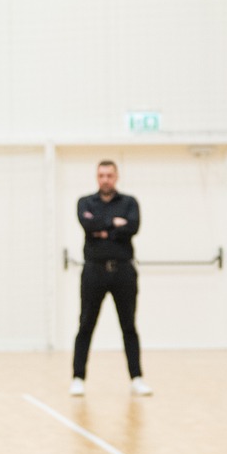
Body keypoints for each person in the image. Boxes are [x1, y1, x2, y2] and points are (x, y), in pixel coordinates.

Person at [70, 160, 150, 397]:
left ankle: (136, 378)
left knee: (129, 326)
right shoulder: (85, 202)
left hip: (123, 271)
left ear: (116, 177)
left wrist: (102, 229)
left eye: (109, 175)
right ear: (97, 177)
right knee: (86, 324)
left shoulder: (129, 202)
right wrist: (114, 223)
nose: (105, 179)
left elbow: (132, 227)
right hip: (93, 271)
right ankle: (78, 378)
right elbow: (88, 224)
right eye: (101, 175)